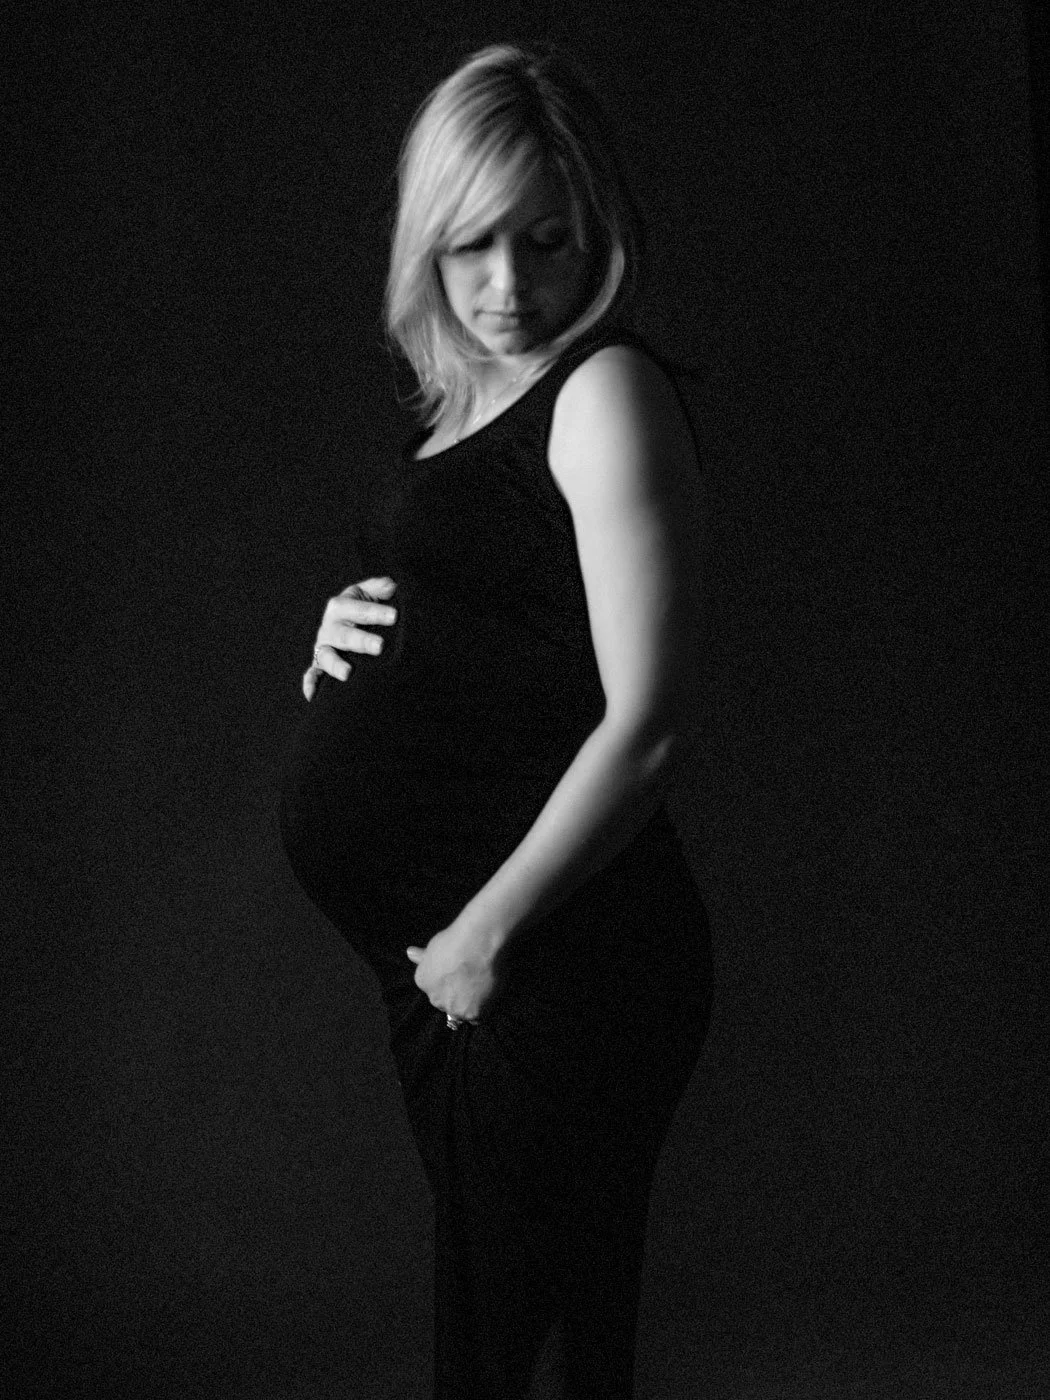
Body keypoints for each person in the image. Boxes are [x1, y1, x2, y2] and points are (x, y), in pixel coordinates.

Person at [279, 42, 713, 1400]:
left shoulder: (604, 392)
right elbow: (492, 631)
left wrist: (480, 935)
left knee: (521, 1343)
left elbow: (644, 729)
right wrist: (338, 642)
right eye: (473, 246)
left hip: (554, 952)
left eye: (545, 239)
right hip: (472, 968)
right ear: (426, 245)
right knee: (525, 1333)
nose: (509, 286)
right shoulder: (472, 411)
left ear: (598, 232)